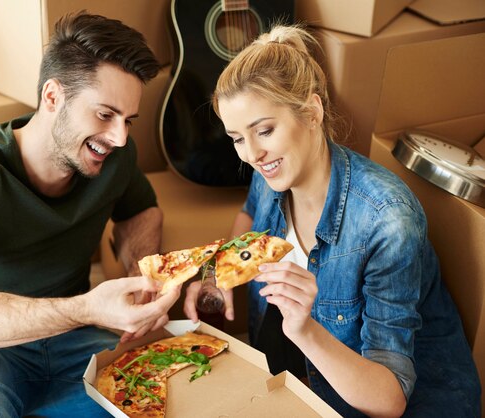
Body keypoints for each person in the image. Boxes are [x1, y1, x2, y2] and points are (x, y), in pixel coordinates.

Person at [184, 24, 481, 417]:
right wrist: (214, 276)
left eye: (265, 131)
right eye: (237, 138)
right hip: (302, 379)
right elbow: (249, 217)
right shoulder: (269, 169)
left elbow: (388, 399)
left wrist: (304, 328)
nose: (252, 153)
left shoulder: (387, 220)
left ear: (311, 112)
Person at [0, 12, 181, 418]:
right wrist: (87, 308)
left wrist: (142, 275)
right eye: (104, 114)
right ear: (53, 97)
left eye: (128, 120)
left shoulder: (116, 156)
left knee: (168, 400)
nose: (120, 137)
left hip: (75, 340)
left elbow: (141, 211)